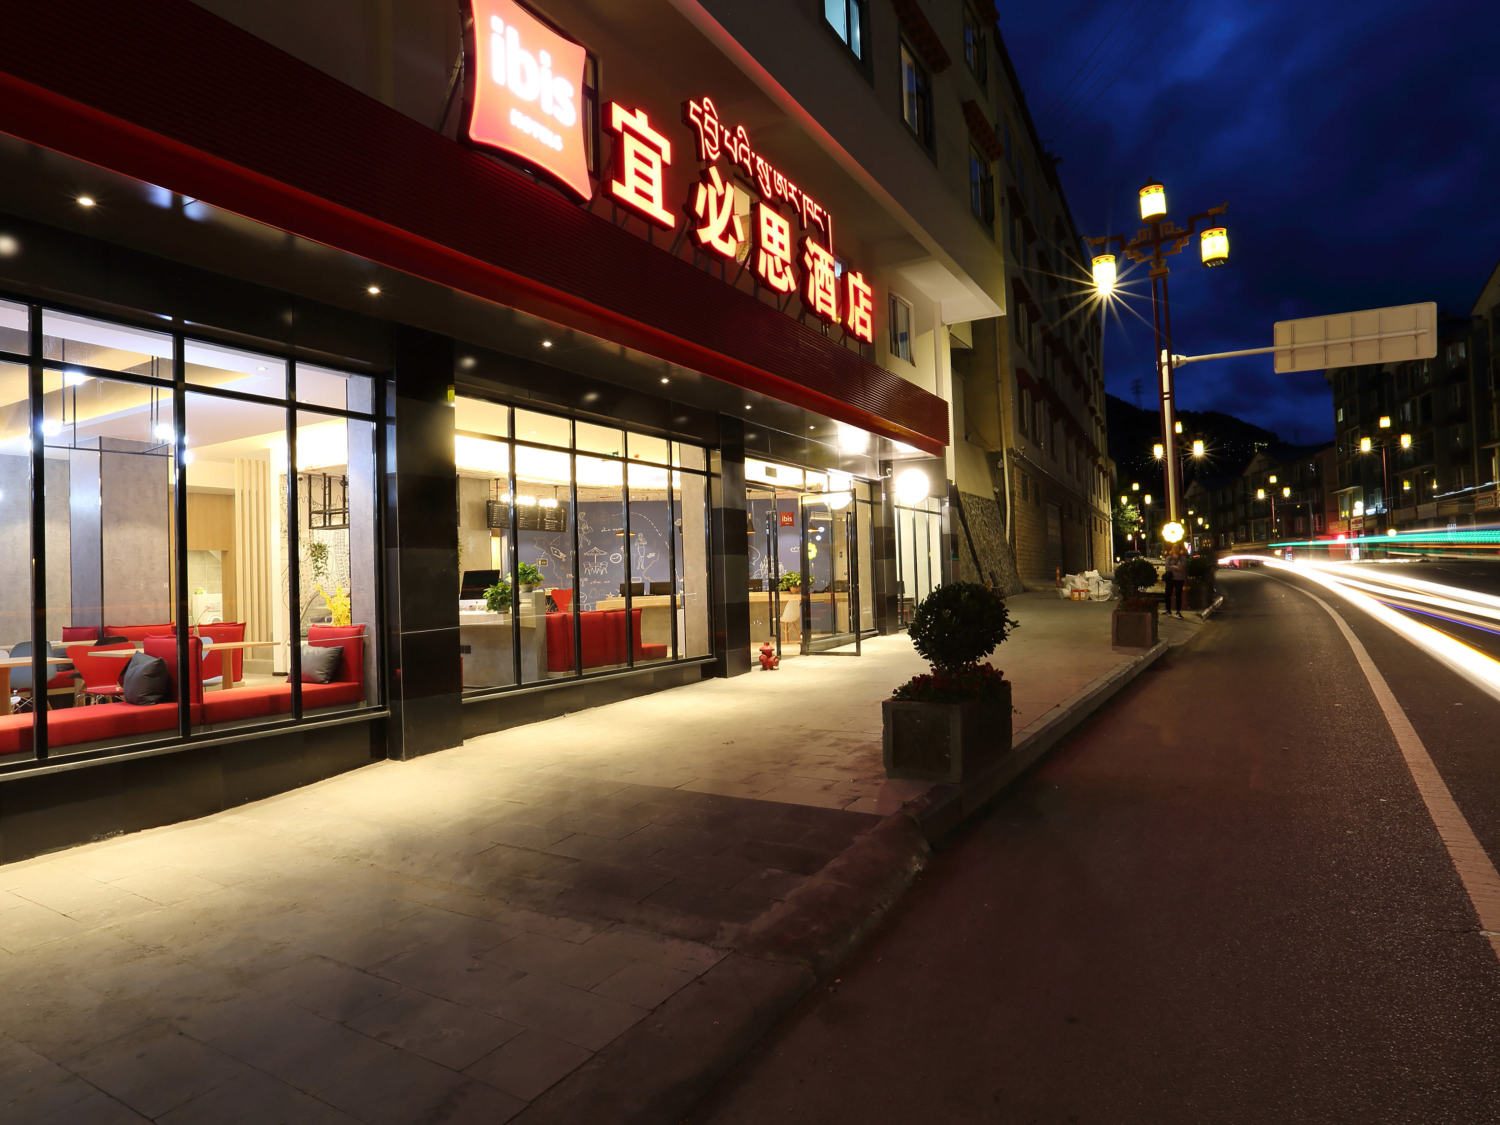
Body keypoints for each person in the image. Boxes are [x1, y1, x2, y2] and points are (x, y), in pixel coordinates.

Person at [1163, 542, 1189, 618]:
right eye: (1174, 547)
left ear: (1179, 549)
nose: (1175, 549)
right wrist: (1175, 567)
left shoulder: (1183, 558)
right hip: (1170, 578)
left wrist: (1173, 567)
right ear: (1172, 549)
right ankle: (1168, 610)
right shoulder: (1169, 558)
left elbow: (1182, 567)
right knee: (1167, 594)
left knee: (1178, 595)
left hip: (1179, 579)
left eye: (1177, 547)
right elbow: (1167, 567)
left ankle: (1178, 612)